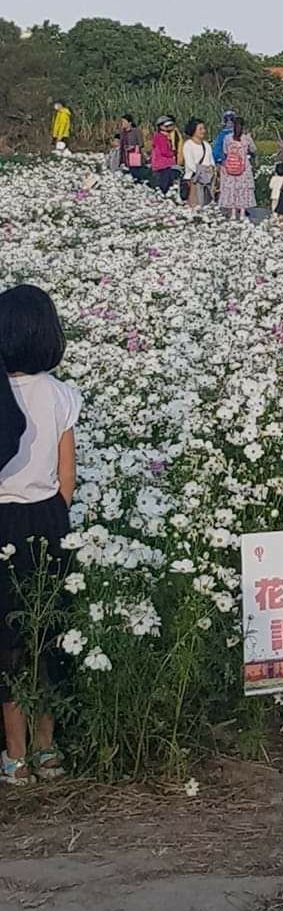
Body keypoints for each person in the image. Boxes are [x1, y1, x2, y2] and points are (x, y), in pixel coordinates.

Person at [0, 285, 81, 786]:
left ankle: (15, 757)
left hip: (5, 520)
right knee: (47, 636)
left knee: (7, 640)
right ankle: (49, 752)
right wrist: (55, 517)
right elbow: (66, 475)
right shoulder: (61, 393)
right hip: (50, 520)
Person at [218, 116, 257, 220]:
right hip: (244, 167)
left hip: (230, 167)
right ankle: (243, 212)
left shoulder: (227, 138)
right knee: (243, 189)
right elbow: (253, 149)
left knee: (232, 189)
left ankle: (233, 213)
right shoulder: (246, 138)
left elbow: (225, 152)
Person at [182, 118, 215, 208]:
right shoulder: (188, 145)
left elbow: (211, 160)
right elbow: (190, 164)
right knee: (194, 204)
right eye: (200, 129)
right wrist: (201, 171)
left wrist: (211, 168)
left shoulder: (206, 145)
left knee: (206, 203)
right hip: (194, 179)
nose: (203, 131)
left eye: (204, 128)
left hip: (207, 179)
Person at [150, 116, 177, 195]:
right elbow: (164, 151)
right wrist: (173, 153)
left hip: (161, 164)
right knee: (164, 183)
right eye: (167, 126)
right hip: (163, 164)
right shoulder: (161, 137)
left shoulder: (162, 136)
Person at [119, 115, 145, 181]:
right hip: (125, 158)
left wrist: (132, 147)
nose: (122, 123)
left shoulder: (136, 131)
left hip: (134, 157)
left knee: (136, 176)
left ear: (129, 123)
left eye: (123, 122)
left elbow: (141, 144)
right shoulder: (122, 133)